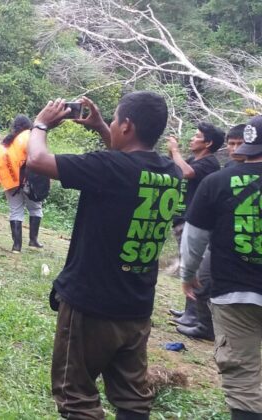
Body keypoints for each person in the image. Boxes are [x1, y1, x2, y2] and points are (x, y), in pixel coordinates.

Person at [27, 93, 182, 419]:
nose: (109, 125)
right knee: (132, 399)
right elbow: (129, 160)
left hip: (92, 307)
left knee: (76, 396)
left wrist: (40, 124)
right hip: (136, 308)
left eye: (114, 121)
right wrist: (100, 126)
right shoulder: (171, 171)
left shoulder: (109, 166)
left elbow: (37, 160)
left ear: (126, 126)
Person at [178, 115, 262, 419]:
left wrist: (188, 276)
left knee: (244, 381)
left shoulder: (217, 181)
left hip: (235, 296)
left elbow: (195, 239)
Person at [165, 123, 224, 339]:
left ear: (208, 143)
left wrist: (175, 150)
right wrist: (173, 154)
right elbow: (178, 169)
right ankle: (189, 311)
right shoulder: (195, 159)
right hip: (182, 218)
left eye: (197, 136)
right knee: (187, 265)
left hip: (196, 223)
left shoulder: (210, 163)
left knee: (195, 268)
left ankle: (195, 316)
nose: (192, 139)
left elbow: (187, 173)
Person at [0, 115, 45, 253]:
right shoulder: (29, 136)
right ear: (28, 125)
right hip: (28, 181)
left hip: (10, 182)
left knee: (16, 211)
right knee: (35, 209)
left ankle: (16, 246)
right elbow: (37, 157)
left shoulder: (5, 142)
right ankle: (33, 241)